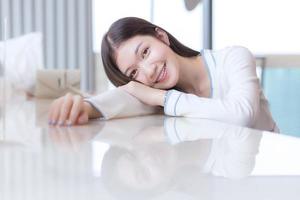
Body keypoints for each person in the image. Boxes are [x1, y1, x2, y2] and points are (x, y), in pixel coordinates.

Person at [48, 17, 279, 132]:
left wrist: (161, 98)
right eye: (134, 72)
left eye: (145, 52)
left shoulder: (233, 58)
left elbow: (242, 116)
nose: (149, 71)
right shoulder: (164, 94)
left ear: (161, 36)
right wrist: (86, 107)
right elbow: (127, 97)